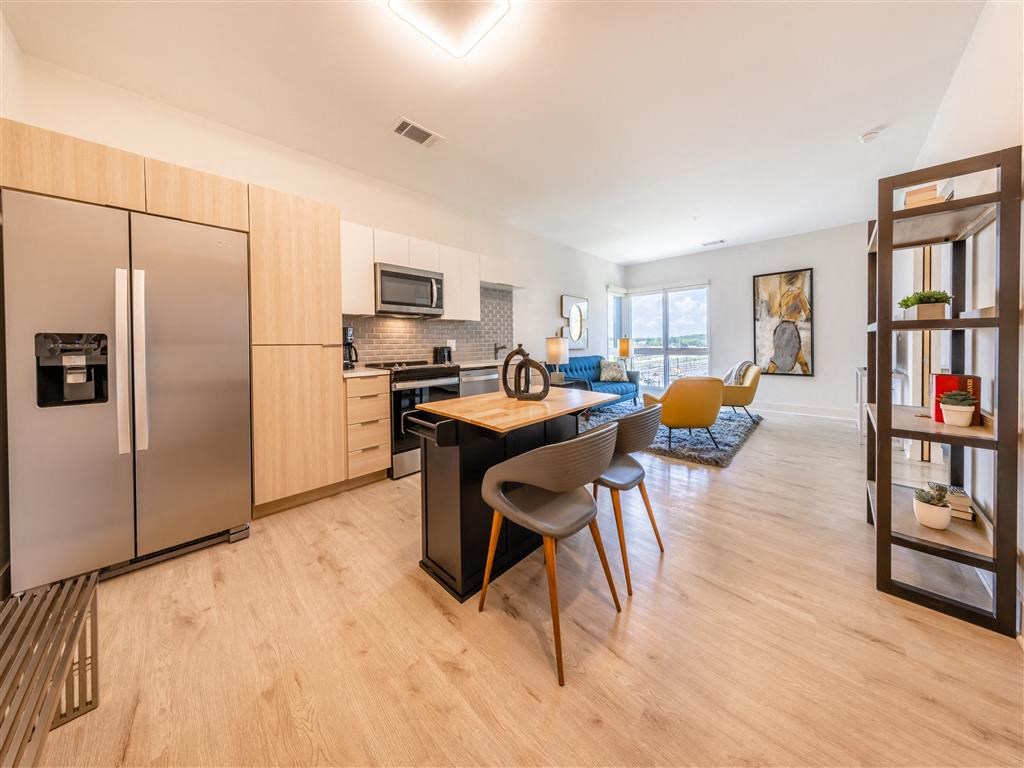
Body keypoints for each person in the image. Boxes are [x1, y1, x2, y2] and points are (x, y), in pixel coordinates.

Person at [766, 271, 811, 375]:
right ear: (798, 278)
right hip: (790, 330)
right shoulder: (799, 293)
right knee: (779, 361)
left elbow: (781, 312)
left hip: (780, 329)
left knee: (801, 361)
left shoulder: (785, 295)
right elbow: (808, 312)